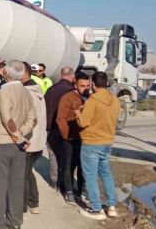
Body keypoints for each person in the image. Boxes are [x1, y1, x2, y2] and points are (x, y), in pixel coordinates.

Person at [0, 60, 36, 229]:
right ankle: (14, 222)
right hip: (18, 146)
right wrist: (21, 136)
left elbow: (7, 118)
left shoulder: (5, 91)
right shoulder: (26, 92)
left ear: (6, 74)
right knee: (16, 185)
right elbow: (33, 120)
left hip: (1, 142)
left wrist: (17, 136)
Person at [75, 71, 120, 220]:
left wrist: (77, 114)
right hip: (107, 141)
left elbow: (83, 122)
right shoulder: (115, 100)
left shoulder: (92, 100)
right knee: (106, 174)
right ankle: (112, 206)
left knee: (91, 176)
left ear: (93, 84)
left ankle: (97, 209)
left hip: (92, 142)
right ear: (106, 83)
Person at [55, 72, 89, 204]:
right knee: (68, 165)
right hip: (70, 137)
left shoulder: (89, 98)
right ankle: (68, 191)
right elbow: (60, 118)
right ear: (75, 84)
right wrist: (66, 135)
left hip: (84, 138)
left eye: (87, 85)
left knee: (83, 166)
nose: (85, 88)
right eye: (82, 85)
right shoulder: (67, 98)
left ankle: (80, 190)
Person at [44, 66, 76, 191]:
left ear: (61, 74)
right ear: (72, 76)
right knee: (66, 156)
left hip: (50, 127)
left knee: (53, 155)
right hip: (66, 128)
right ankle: (64, 182)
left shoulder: (51, 90)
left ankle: (54, 180)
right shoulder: (71, 91)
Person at [23, 66, 47, 215]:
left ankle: (23, 205)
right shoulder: (37, 91)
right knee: (27, 173)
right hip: (37, 141)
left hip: (28, 140)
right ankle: (33, 203)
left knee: (22, 175)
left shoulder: (26, 93)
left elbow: (28, 120)